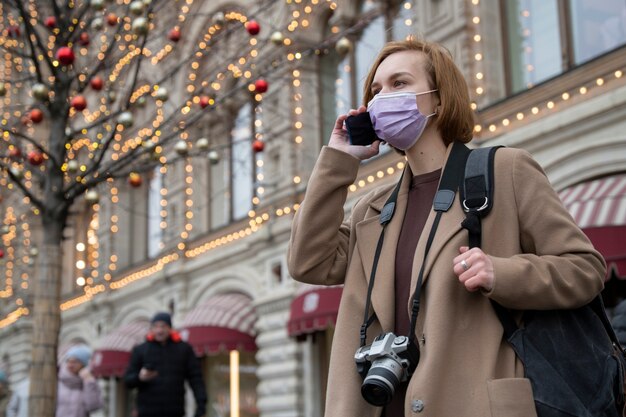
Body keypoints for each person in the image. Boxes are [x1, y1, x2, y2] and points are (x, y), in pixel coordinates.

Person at [287, 38, 606, 417]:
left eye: (399, 83)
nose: (381, 98)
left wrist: (501, 273)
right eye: (375, 90)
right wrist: (338, 161)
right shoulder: (372, 208)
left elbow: (585, 268)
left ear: (438, 100)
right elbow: (307, 262)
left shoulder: (505, 172)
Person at [124, 312, 207, 417]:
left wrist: (201, 405)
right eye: (156, 326)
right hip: (147, 412)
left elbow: (196, 379)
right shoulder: (140, 350)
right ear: (152, 329)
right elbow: (128, 380)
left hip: (175, 412)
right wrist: (140, 377)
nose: (159, 330)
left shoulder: (184, 349)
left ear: (170, 328)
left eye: (163, 326)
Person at [56, 345, 103, 417]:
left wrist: (89, 381)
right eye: (69, 361)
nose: (70, 365)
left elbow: (93, 407)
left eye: (75, 362)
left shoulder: (90, 383)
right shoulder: (59, 381)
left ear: (84, 364)